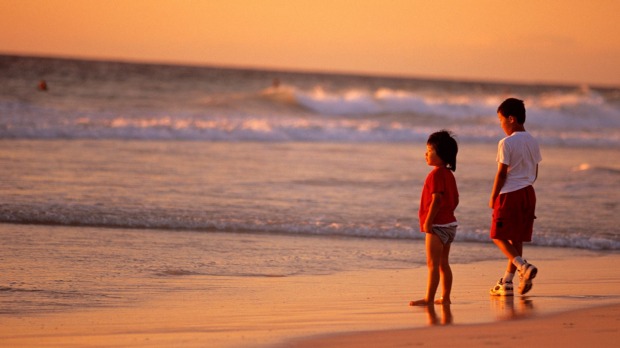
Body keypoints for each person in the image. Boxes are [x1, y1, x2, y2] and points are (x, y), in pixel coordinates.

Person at [489, 98, 542, 296]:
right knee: (516, 237)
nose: (501, 124)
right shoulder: (533, 141)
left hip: (510, 193)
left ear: (511, 119)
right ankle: (508, 281)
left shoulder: (506, 143)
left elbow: (502, 173)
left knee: (497, 235)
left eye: (501, 119)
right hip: (529, 192)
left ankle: (522, 266)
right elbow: (535, 172)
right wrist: (526, 185)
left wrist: (493, 196)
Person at [410, 130, 459, 306]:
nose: (426, 154)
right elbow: (455, 200)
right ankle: (445, 297)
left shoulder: (436, 174)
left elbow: (436, 200)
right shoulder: (449, 175)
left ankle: (429, 299)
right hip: (450, 224)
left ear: (441, 154)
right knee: (444, 264)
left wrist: (429, 221)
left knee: (432, 264)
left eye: (429, 150)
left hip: (437, 226)